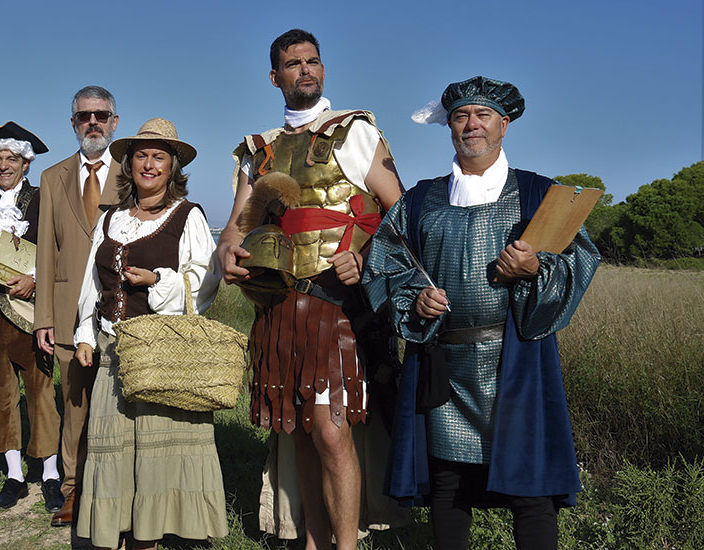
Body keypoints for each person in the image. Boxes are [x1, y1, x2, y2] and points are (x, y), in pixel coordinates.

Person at [362, 76, 600, 549]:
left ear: (504, 124)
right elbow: (385, 265)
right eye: (460, 116)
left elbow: (578, 262)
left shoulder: (538, 196)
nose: (471, 125)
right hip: (443, 364)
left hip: (516, 364)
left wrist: (535, 268)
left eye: (482, 115)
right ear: (449, 126)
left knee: (530, 491)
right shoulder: (418, 200)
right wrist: (415, 299)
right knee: (448, 487)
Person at [214, 29, 405, 550]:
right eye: (293, 63)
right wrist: (228, 251)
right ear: (275, 77)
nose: (305, 70)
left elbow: (400, 213)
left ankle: (346, 546)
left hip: (335, 307)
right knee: (294, 427)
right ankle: (313, 542)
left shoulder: (356, 132)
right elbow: (236, 224)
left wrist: (365, 259)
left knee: (329, 430)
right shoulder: (260, 151)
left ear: (323, 69)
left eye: (313, 61)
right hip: (277, 305)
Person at [72, 117, 227, 550]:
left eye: (159, 156)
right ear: (129, 164)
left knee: (157, 456)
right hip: (112, 350)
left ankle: (150, 535)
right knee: (114, 451)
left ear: (173, 167)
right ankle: (116, 526)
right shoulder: (111, 219)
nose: (149, 164)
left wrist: (158, 281)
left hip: (160, 352)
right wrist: (85, 332)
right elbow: (91, 284)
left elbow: (206, 279)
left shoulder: (188, 216)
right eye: (141, 155)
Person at [34, 85, 125, 527]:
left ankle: (118, 493)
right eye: (84, 115)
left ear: (114, 122)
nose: (93, 122)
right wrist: (44, 319)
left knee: (120, 408)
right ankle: (72, 490)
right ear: (73, 123)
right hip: (69, 312)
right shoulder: (52, 178)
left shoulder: (133, 173)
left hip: (122, 309)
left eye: (101, 115)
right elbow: (45, 254)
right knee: (75, 407)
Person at [0, 122, 64, 513]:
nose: (4, 165)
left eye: (11, 158)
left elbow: (62, 247)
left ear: (26, 163)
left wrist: (36, 279)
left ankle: (50, 474)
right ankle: (13, 475)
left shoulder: (44, 199)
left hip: (33, 312)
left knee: (41, 393)